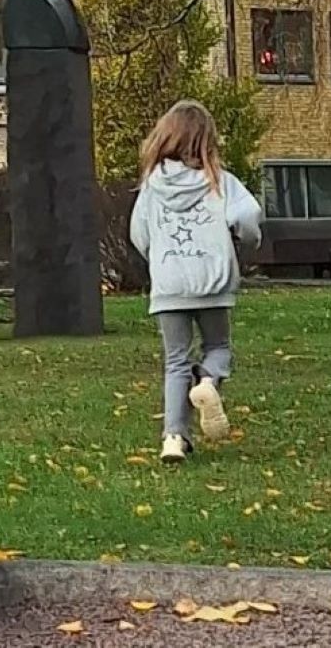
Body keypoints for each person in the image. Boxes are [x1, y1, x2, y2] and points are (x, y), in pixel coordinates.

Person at [130, 100, 263, 465]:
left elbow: (138, 234)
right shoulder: (220, 182)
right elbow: (249, 216)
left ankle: (173, 438)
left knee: (175, 361)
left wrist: (158, 259)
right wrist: (244, 243)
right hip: (213, 282)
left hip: (169, 285)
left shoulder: (151, 186)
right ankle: (207, 382)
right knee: (218, 346)